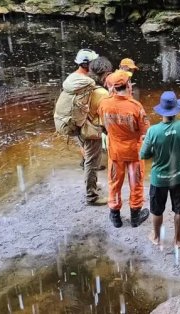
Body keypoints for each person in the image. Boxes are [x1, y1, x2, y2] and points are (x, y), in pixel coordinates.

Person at [140, 91, 180, 248]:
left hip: (159, 178)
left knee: (157, 210)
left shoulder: (153, 131)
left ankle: (156, 237)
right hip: (179, 176)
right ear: (176, 109)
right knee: (179, 209)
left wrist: (152, 145)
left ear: (161, 110)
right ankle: (177, 240)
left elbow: (144, 154)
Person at [98, 70, 150, 228]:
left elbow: (103, 126)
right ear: (128, 85)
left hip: (115, 151)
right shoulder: (135, 106)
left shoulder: (104, 103)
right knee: (136, 183)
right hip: (134, 151)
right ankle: (135, 216)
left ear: (112, 87)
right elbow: (145, 131)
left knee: (115, 182)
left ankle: (115, 217)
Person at [64, 49, 107, 206]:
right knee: (92, 160)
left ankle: (92, 184)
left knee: (89, 158)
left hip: (76, 126)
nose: (96, 66)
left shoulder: (73, 79)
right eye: (93, 63)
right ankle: (92, 196)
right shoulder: (85, 83)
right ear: (85, 64)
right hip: (87, 128)